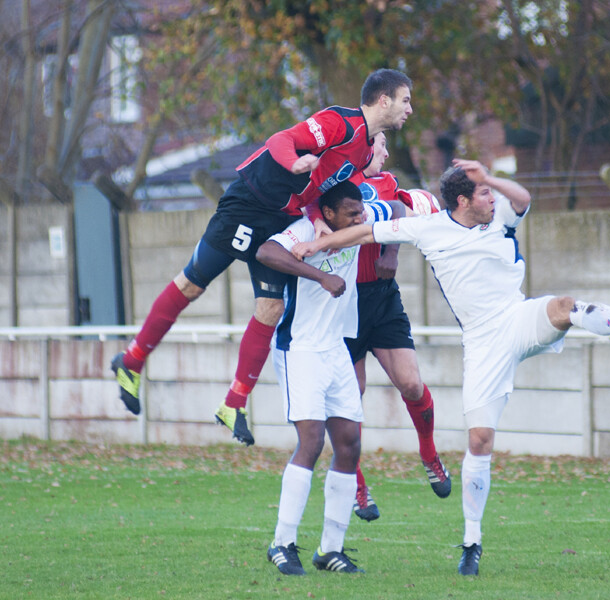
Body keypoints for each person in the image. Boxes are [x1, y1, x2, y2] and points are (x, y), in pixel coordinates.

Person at [291, 158, 610, 576]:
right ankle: (471, 541)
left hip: (517, 318)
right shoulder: (429, 228)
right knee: (479, 440)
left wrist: (490, 177)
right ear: (462, 201)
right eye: (483, 192)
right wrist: (318, 244)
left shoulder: (499, 215)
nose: (492, 197)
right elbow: (368, 231)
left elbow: (524, 198)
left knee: (562, 307)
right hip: (481, 343)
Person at [109, 69, 414, 447]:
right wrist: (294, 164)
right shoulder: (341, 122)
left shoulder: (365, 151)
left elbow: (321, 191)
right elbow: (281, 140)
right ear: (383, 100)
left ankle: (233, 404)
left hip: (281, 217)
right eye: (405, 100)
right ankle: (132, 361)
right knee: (191, 284)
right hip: (249, 204)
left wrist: (318, 220)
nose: (409, 109)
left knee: (270, 307)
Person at [255, 179, 405, 575]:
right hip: (300, 349)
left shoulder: (360, 218)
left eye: (361, 212)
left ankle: (330, 550)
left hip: (336, 348)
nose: (360, 219)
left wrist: (390, 250)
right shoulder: (306, 230)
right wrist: (319, 276)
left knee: (350, 444)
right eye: (352, 214)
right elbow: (266, 251)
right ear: (328, 215)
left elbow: (400, 212)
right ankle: (282, 543)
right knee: (311, 441)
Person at [346, 133, 449, 522]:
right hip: (342, 305)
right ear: (362, 147)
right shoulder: (335, 184)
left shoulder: (386, 184)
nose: (387, 154)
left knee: (411, 383)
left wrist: (391, 250)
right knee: (349, 399)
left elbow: (404, 212)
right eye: (381, 147)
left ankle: (429, 453)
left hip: (382, 298)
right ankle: (355, 483)